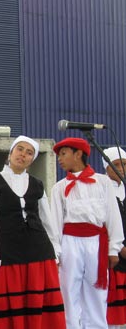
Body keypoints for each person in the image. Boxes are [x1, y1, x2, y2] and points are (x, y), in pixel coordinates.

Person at [0, 136, 65, 329]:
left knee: (38, 304)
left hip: (39, 251)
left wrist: (55, 249)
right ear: (10, 152)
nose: (23, 155)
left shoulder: (37, 184)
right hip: (9, 252)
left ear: (32, 159)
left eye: (29, 153)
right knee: (10, 307)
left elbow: (47, 219)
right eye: (20, 149)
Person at [51, 137, 123, 329]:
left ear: (78, 154)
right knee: (68, 291)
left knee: (97, 292)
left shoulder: (102, 182)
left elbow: (112, 216)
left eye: (63, 153)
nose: (59, 158)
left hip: (96, 242)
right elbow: (55, 222)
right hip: (69, 242)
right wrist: (56, 250)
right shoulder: (59, 187)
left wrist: (113, 248)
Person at [102, 147, 126, 328]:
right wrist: (120, 247)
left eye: (124, 164)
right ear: (106, 168)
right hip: (114, 258)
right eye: (115, 165)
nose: (121, 168)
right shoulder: (102, 190)